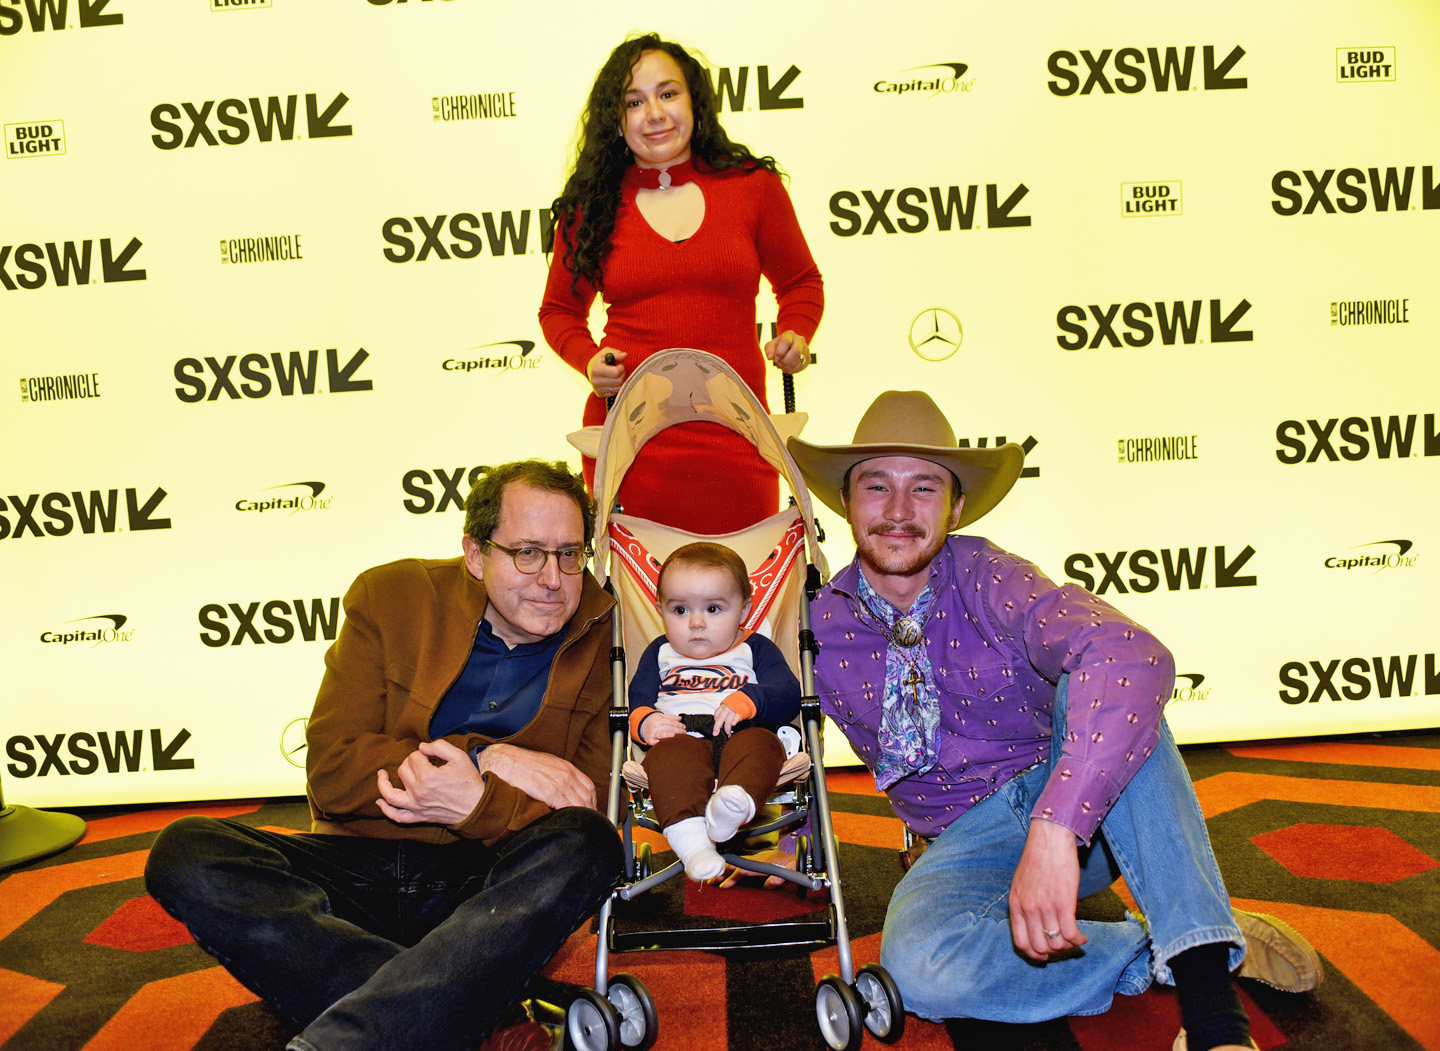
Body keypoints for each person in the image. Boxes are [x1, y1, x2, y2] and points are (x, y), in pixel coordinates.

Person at [786, 392, 1322, 1051]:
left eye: (923, 487)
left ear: (955, 507)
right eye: (877, 484)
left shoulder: (989, 575)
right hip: (961, 847)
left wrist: (1055, 825)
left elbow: (1133, 655)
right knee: (916, 970)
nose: (898, 510)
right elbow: (763, 720)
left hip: (1080, 827)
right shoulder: (817, 625)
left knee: (1111, 688)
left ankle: (1214, 1019)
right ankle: (1181, 940)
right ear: (847, 501)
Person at [145, 460, 624, 1051]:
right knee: (187, 849)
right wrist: (485, 758)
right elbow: (333, 769)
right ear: (476, 555)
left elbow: (586, 804)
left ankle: (360, 1035)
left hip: (482, 891)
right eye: (527, 552)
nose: (553, 578)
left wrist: (478, 806)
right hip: (354, 869)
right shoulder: (392, 596)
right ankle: (468, 1010)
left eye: (570, 555)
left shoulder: (607, 634)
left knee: (592, 844)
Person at [539, 32, 824, 535]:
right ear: (616, 117)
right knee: (642, 604)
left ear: (695, 100)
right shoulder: (592, 204)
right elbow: (558, 311)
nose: (654, 113)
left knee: (740, 596)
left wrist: (796, 332)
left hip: (738, 438)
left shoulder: (752, 187)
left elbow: (800, 281)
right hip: (632, 444)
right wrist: (588, 359)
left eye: (667, 93)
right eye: (634, 101)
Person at [627, 542, 801, 881]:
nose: (695, 623)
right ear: (659, 608)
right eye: (679, 610)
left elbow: (788, 694)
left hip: (741, 734)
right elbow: (637, 700)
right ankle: (694, 847)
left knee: (764, 746)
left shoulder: (755, 649)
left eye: (713, 609)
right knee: (668, 760)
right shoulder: (659, 654)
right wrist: (646, 722)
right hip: (681, 737)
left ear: (744, 609)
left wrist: (749, 698)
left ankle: (733, 806)